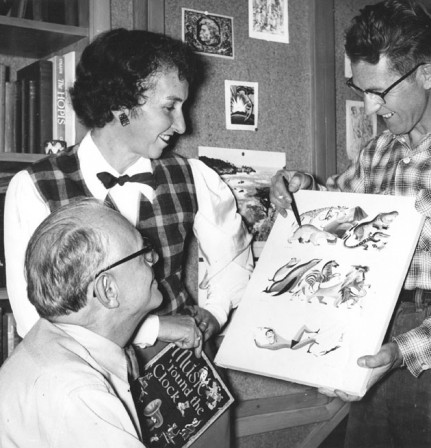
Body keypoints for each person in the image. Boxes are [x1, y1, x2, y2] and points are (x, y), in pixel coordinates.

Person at [271, 1, 431, 446]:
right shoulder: (379, 151)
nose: (369, 107)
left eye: (380, 92)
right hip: (372, 333)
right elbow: (336, 210)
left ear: (425, 74)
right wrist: (298, 189)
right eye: (359, 89)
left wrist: (405, 350)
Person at [4, 29, 252, 447]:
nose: (183, 124)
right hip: (88, 388)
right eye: (169, 107)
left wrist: (212, 313)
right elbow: (36, 319)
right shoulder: (33, 187)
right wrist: (157, 328)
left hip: (185, 380)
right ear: (121, 104)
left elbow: (235, 260)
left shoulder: (194, 176)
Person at [0, 198, 197, 447]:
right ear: (108, 290)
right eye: (142, 253)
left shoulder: (45, 340)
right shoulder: (83, 395)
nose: (154, 258)